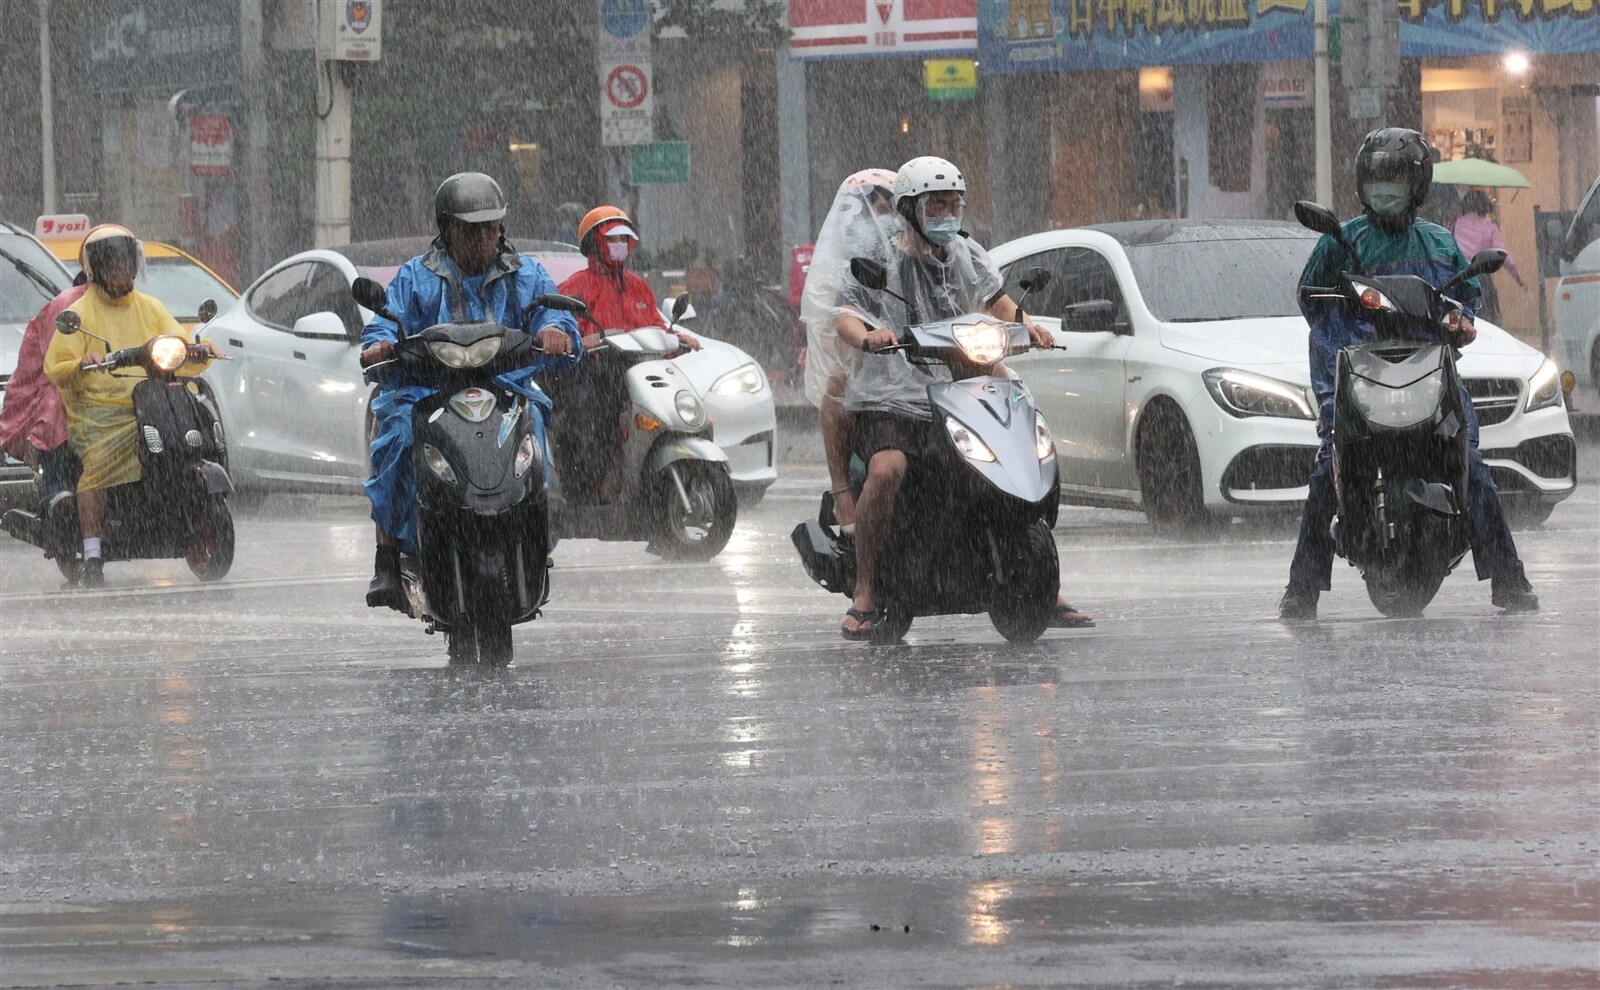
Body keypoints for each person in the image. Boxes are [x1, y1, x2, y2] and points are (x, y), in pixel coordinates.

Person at [1277, 128, 1539, 620]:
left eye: (1396, 180)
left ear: (1417, 186)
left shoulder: (1440, 244)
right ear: (1361, 184)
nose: (1386, 191)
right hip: (1359, 377)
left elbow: (1466, 299)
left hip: (1428, 376)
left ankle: (1509, 579)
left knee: (1474, 468)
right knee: (1325, 474)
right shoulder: (1341, 242)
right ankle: (1301, 590)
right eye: (1378, 180)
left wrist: (1461, 322)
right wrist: (1348, 331)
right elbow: (1310, 299)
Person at [830, 156, 1094, 639]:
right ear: (910, 208)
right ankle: (866, 588)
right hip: (894, 391)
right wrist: (868, 337)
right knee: (888, 468)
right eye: (937, 204)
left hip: (957, 384)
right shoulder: (880, 259)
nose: (948, 213)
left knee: (1011, 458)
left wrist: (1026, 325)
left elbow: (996, 299)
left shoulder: (966, 253)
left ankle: (1040, 585)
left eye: (955, 203)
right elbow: (846, 315)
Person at [360, 172, 581, 607]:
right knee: (397, 438)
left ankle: (536, 534)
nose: (482, 239)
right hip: (427, 393)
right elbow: (385, 322)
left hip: (505, 391)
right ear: (447, 229)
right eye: (470, 229)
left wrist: (556, 331)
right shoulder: (415, 278)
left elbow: (552, 314)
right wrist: (378, 346)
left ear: (501, 228)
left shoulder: (526, 274)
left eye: (490, 227)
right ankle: (387, 555)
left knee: (533, 432)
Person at [42, 225, 223, 588]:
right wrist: (83, 362)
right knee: (97, 465)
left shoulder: (150, 307)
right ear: (96, 267)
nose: (119, 269)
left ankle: (182, 508)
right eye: (111, 262)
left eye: (125, 261)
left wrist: (198, 349)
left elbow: (178, 343)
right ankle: (93, 552)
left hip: (152, 399)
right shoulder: (80, 313)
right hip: (100, 409)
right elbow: (56, 365)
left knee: (190, 434)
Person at [548, 205, 698, 502]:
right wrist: (581, 341)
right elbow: (558, 330)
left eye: (623, 240)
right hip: (593, 374)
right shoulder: (573, 288)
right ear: (594, 243)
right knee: (590, 422)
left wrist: (677, 337)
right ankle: (585, 494)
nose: (619, 246)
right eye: (611, 239)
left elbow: (654, 325)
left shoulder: (639, 287)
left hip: (638, 373)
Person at [800, 168, 900, 538]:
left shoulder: (916, 249)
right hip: (866, 353)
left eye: (889, 204)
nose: (882, 212)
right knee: (839, 385)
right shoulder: (845, 254)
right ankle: (841, 489)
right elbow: (839, 315)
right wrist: (864, 337)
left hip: (916, 359)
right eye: (876, 204)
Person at [0, 274, 88, 514]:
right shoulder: (65, 305)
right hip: (47, 383)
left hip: (110, 381)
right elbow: (55, 359)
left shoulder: (136, 304)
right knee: (56, 410)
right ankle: (56, 488)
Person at [1451, 189, 1524, 324]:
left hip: (1457, 276)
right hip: (1481, 278)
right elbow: (1502, 254)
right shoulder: (1490, 228)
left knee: (1455, 315)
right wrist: (1517, 276)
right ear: (1485, 207)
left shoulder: (1456, 224)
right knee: (1487, 319)